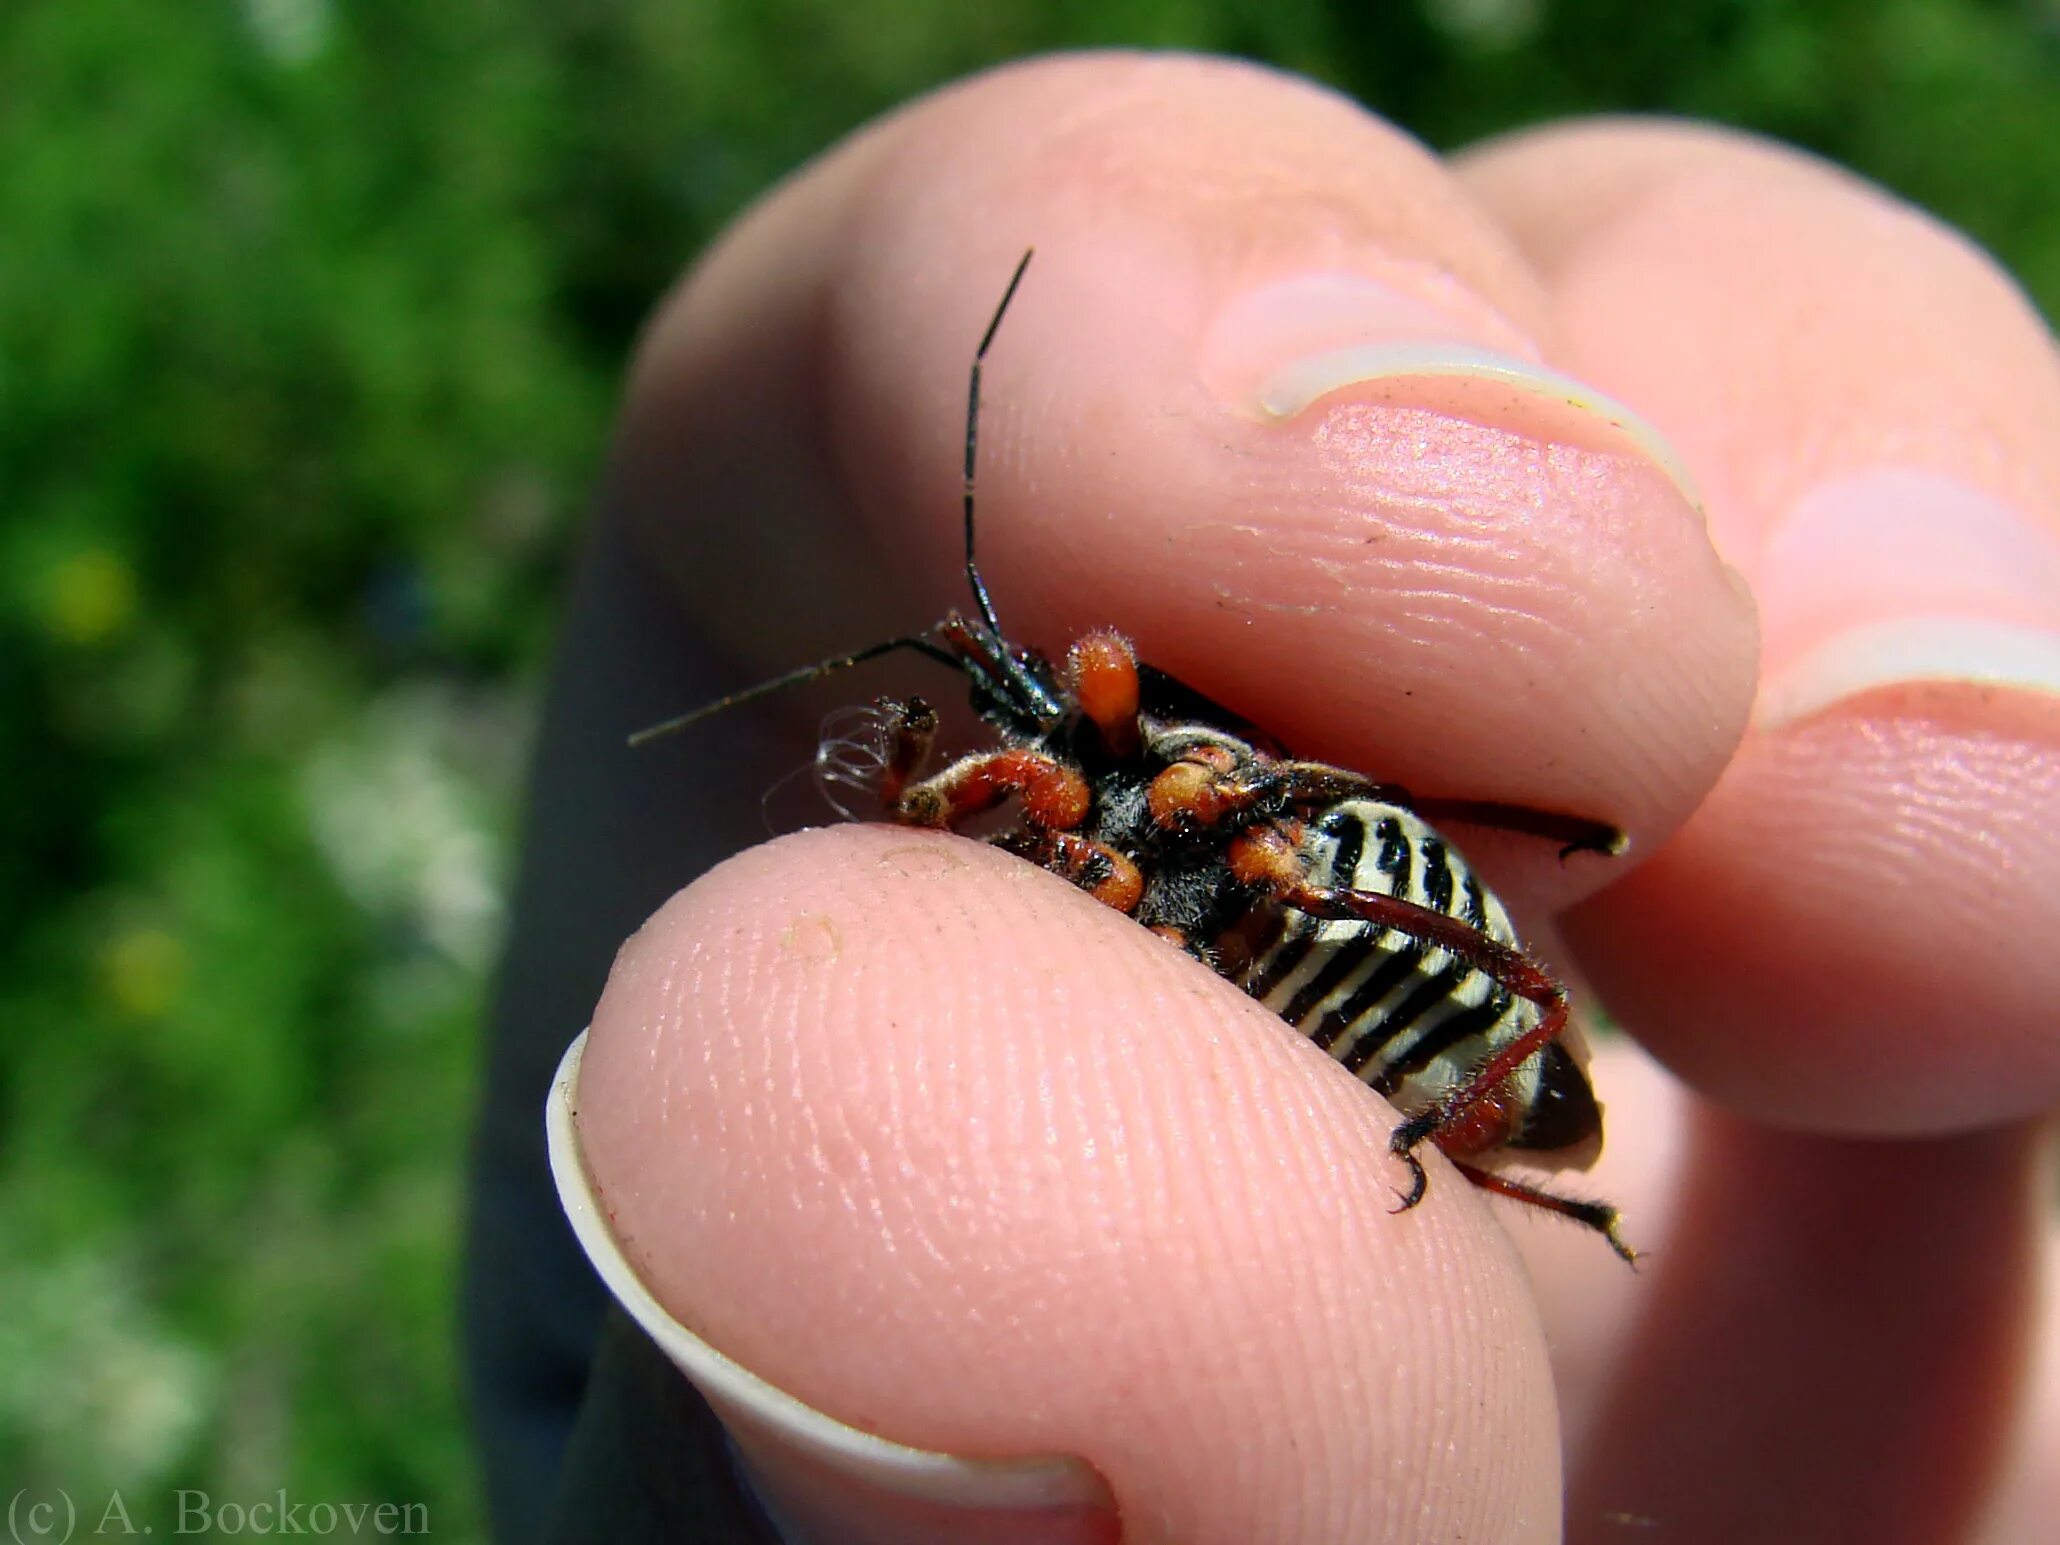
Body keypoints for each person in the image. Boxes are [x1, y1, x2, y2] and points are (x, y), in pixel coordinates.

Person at [465, 54, 2060, 1545]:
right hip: (1361, 1000)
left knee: (1280, 849)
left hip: (1452, 1002)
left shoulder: (1144, 763)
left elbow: (1161, 712)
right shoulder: (1068, 821)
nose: (1039, 715)